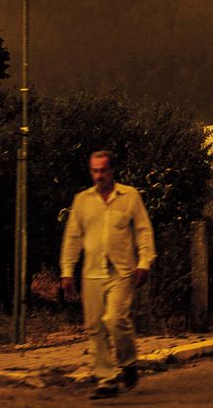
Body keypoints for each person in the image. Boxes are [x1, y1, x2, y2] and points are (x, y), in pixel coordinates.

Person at [60, 150, 156, 400]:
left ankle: (128, 361)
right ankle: (106, 379)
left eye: (103, 170)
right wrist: (67, 271)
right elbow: (72, 237)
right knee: (95, 327)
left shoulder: (130, 197)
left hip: (121, 271)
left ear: (112, 171)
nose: (98, 175)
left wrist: (144, 262)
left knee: (115, 318)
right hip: (91, 272)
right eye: (94, 171)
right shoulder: (82, 200)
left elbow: (144, 232)